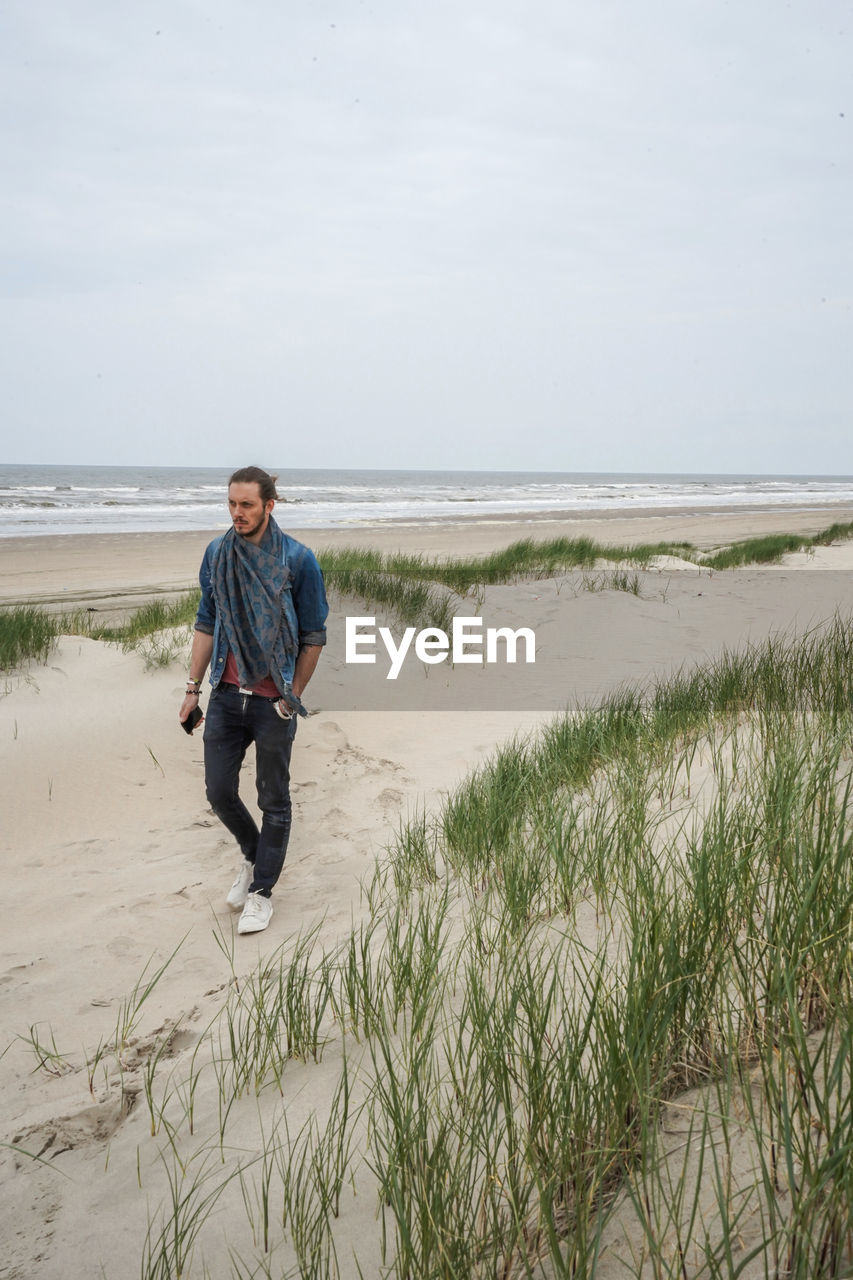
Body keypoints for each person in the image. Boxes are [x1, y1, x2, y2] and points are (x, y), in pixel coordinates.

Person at [179, 466, 328, 935]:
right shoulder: (217, 554)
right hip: (225, 695)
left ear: (270, 504)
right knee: (219, 791)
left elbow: (313, 636)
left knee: (273, 799)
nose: (237, 513)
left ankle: (262, 891)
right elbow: (207, 622)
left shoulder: (298, 561)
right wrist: (192, 689)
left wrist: (291, 699)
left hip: (271, 701)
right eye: (231, 503)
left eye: (246, 504)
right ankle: (253, 854)